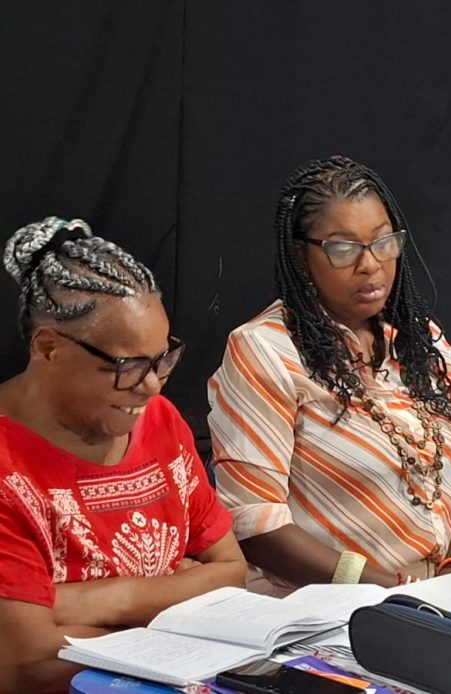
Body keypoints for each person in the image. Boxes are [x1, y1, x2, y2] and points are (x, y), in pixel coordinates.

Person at [209, 156, 451, 593]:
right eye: (344, 249)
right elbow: (255, 524)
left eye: (384, 242)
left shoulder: (422, 343)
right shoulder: (265, 350)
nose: (370, 264)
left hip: (440, 594)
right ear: (301, 256)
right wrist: (388, 591)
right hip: (323, 606)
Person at [0, 217, 245, 692]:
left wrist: (81, 602)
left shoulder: (159, 421)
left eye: (161, 360)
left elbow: (230, 571)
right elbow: (25, 664)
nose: (151, 385)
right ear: (48, 349)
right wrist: (174, 599)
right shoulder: (8, 467)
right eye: (128, 365)